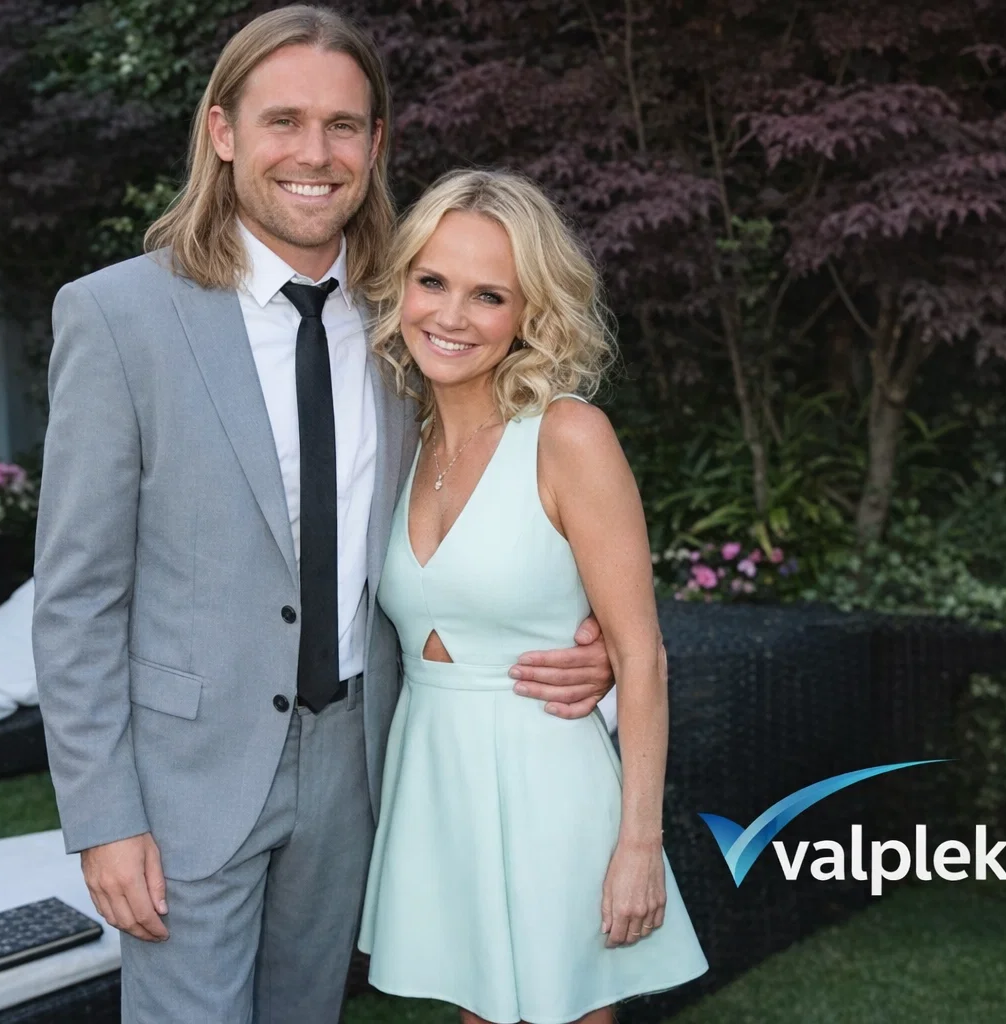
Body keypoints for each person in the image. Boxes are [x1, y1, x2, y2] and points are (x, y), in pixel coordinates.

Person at [31, 8, 617, 1023]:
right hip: (186, 776)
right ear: (223, 131)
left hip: (360, 757)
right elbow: (75, 596)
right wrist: (102, 814)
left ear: (376, 143)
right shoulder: (117, 317)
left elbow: (503, 490)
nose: (315, 153)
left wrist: (590, 636)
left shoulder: (414, 319)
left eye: (343, 125)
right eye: (284, 121)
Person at [356, 170, 708, 1024]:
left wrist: (639, 844)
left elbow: (640, 656)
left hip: (550, 782)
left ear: (529, 313)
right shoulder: (403, 434)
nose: (451, 315)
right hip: (435, 777)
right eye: (432, 281)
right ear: (401, 285)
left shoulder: (567, 435)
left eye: (489, 295)